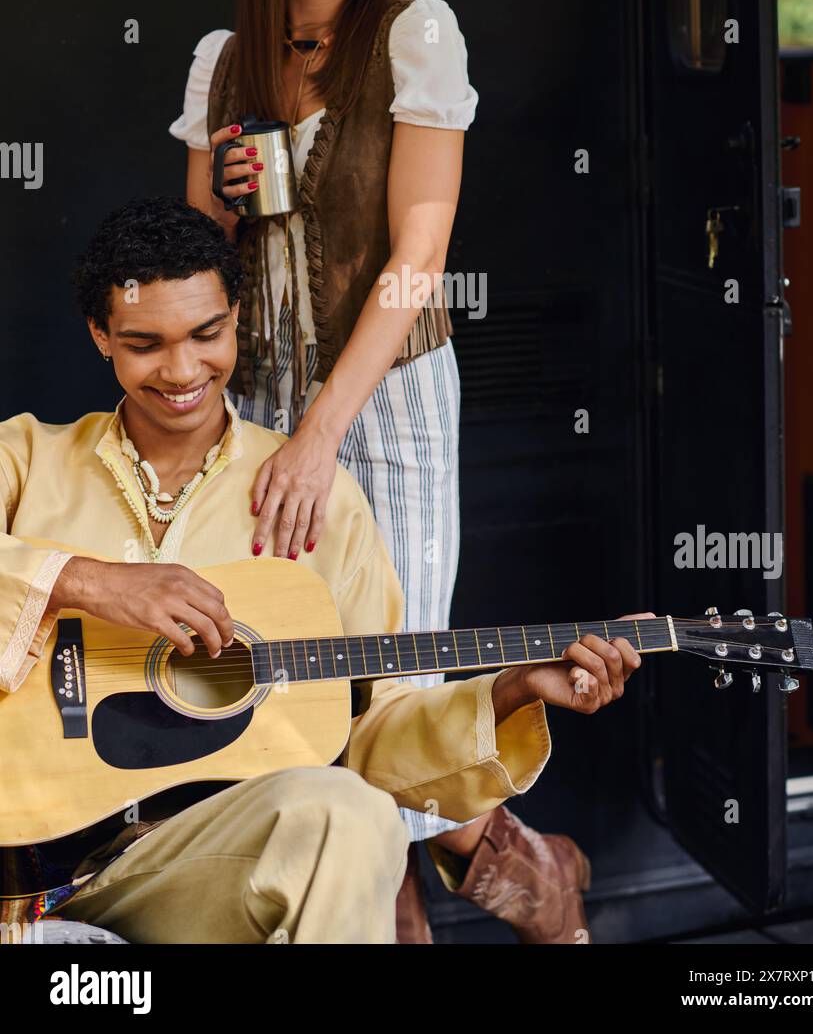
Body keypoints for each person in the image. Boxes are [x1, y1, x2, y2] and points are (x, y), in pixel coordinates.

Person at [0, 199, 649, 944]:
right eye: (146, 343)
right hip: (22, 858)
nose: (183, 370)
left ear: (238, 316)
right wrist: (91, 581)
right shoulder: (27, 459)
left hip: (193, 871)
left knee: (352, 810)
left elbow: (376, 732)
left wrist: (511, 690)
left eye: (207, 335)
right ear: (100, 336)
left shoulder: (318, 503)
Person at [167, 0, 584, 937]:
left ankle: (493, 903)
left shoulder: (415, 34)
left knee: (389, 681)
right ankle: (506, 877)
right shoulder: (221, 66)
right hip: (252, 407)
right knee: (298, 693)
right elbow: (200, 272)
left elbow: (419, 255)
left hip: (386, 402)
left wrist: (320, 431)